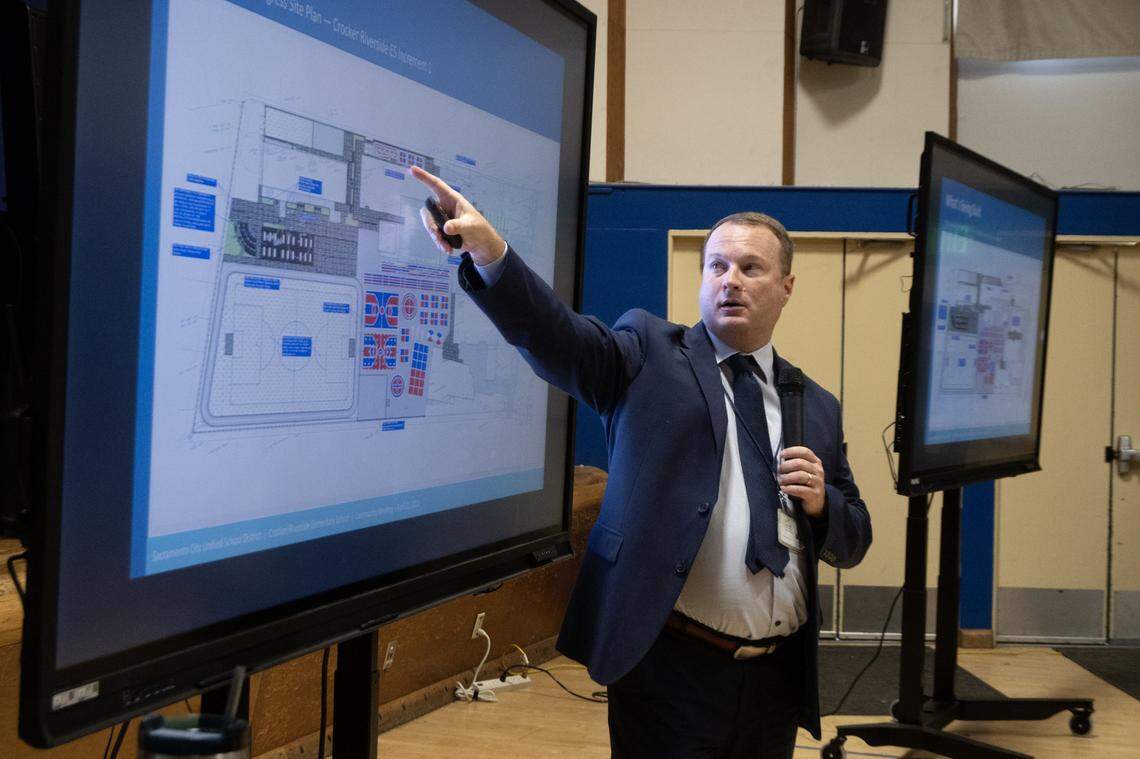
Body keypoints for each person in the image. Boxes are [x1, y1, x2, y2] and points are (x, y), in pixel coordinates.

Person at [412, 166, 872, 759]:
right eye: (716, 266)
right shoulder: (649, 355)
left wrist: (821, 504)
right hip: (671, 673)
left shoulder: (816, 406)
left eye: (751, 268)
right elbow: (558, 337)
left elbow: (853, 538)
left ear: (786, 286)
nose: (730, 280)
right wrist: (492, 254)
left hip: (775, 683)